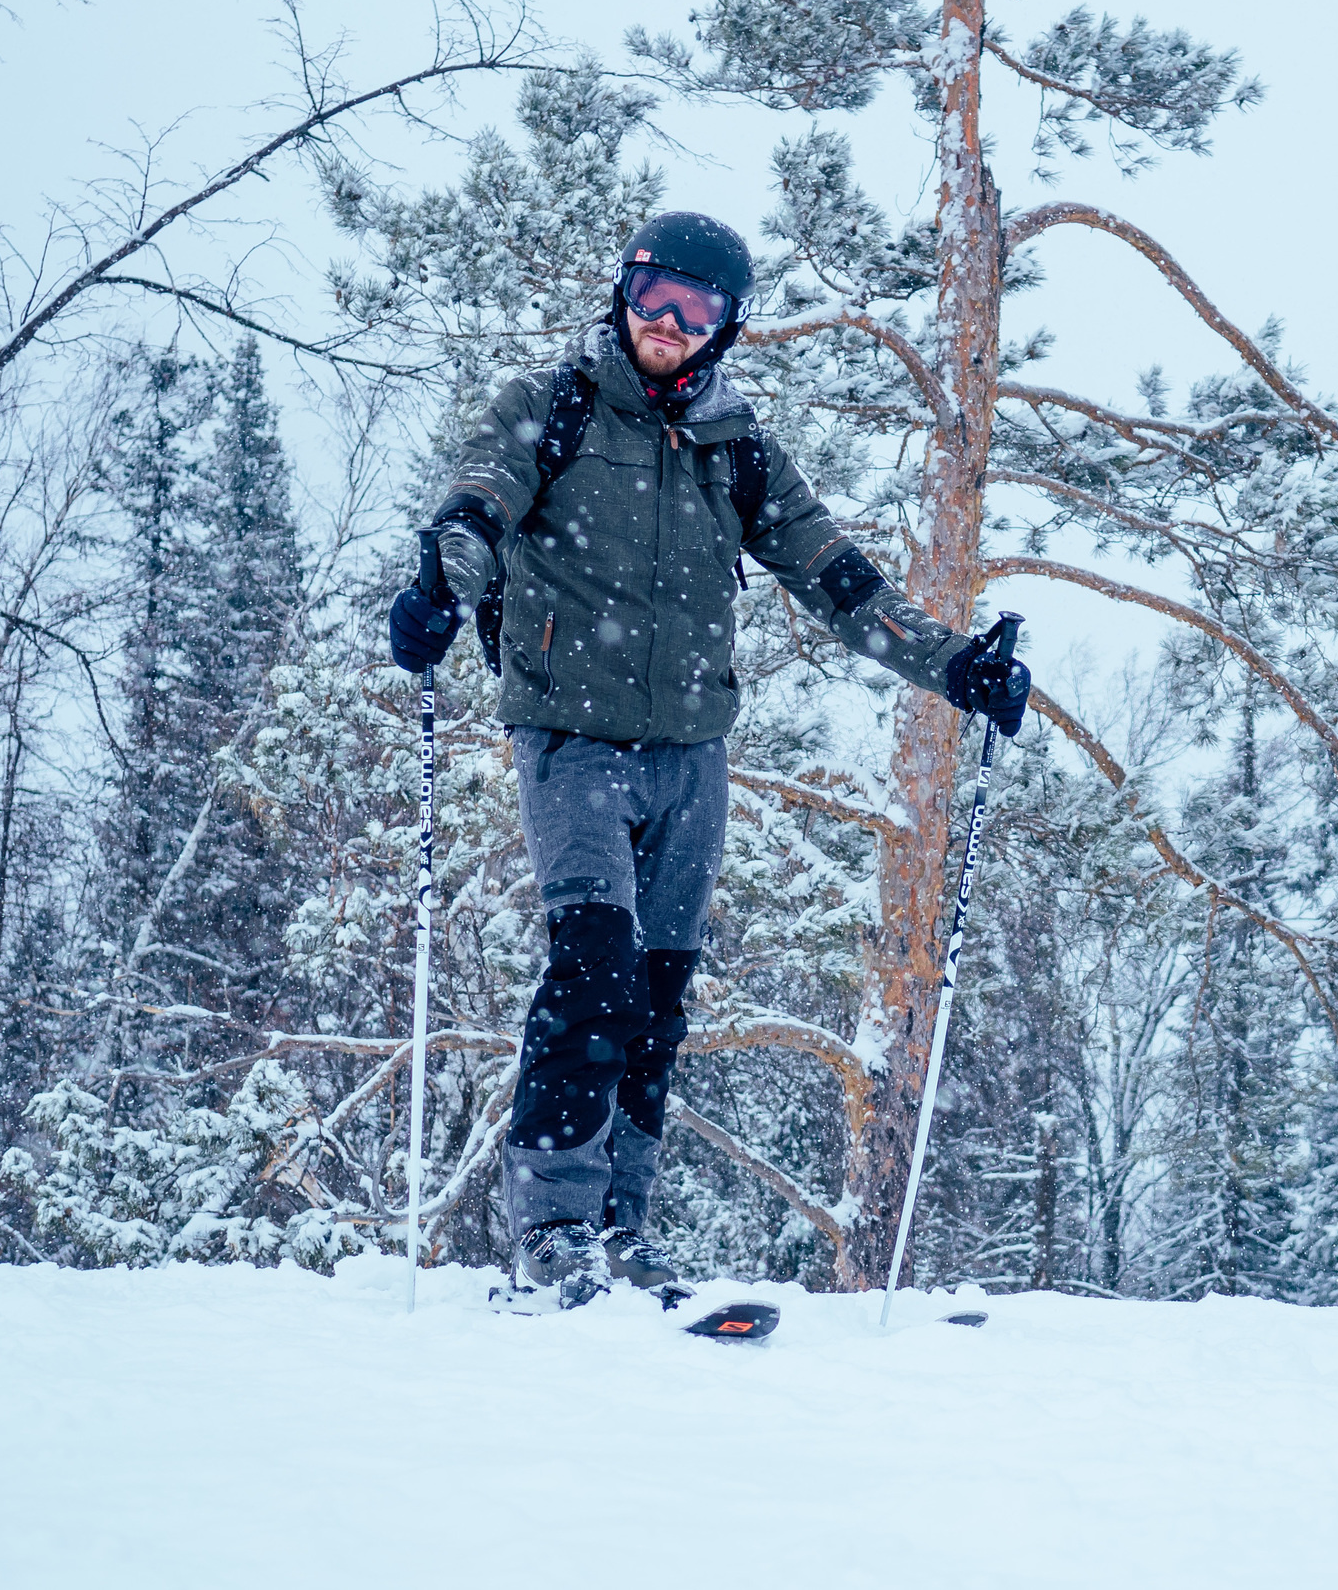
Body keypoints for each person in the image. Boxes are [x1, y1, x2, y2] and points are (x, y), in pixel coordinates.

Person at [387, 211, 1031, 1309]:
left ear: (726, 327)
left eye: (697, 310)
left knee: (656, 995)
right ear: (622, 292)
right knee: (592, 965)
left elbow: (842, 583)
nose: (668, 326)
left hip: (690, 752)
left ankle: (622, 1229)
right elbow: (479, 504)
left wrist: (954, 666)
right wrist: (443, 584)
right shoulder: (553, 411)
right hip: (571, 735)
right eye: (654, 297)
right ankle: (553, 1232)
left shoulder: (735, 451)